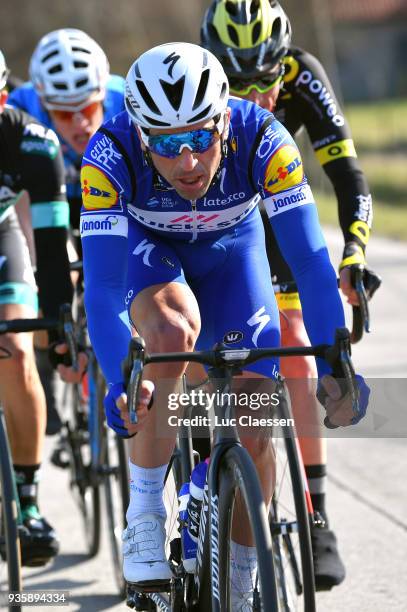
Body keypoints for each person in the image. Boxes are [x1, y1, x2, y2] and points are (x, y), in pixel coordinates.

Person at [79, 42, 369, 605]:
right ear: (140, 134)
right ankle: (143, 514)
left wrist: (336, 360)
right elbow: (106, 286)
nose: (186, 161)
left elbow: (310, 262)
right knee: (169, 333)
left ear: (223, 121)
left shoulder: (265, 138)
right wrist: (121, 378)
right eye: (165, 144)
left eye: (198, 139)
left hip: (233, 252)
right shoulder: (108, 153)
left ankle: (238, 581)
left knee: (258, 403)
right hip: (150, 251)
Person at [201, 0, 379, 590]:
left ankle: (316, 512)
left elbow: (348, 176)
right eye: (240, 83)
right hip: (207, 225)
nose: (257, 98)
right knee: (199, 358)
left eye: (267, 79)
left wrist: (353, 252)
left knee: (298, 350)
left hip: (274, 216)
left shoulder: (302, 75)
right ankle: (201, 474)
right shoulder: (191, 80)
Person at [8, 29, 125, 433]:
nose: (78, 123)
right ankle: (47, 355)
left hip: (107, 198)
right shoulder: (22, 106)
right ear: (42, 103)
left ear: (102, 94)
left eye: (88, 107)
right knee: (47, 262)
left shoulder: (126, 100)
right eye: (61, 113)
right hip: (47, 199)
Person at [0, 49, 73, 566]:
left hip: (2, 235)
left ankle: (26, 501)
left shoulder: (33, 144)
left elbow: (49, 249)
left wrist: (60, 326)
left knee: (17, 351)